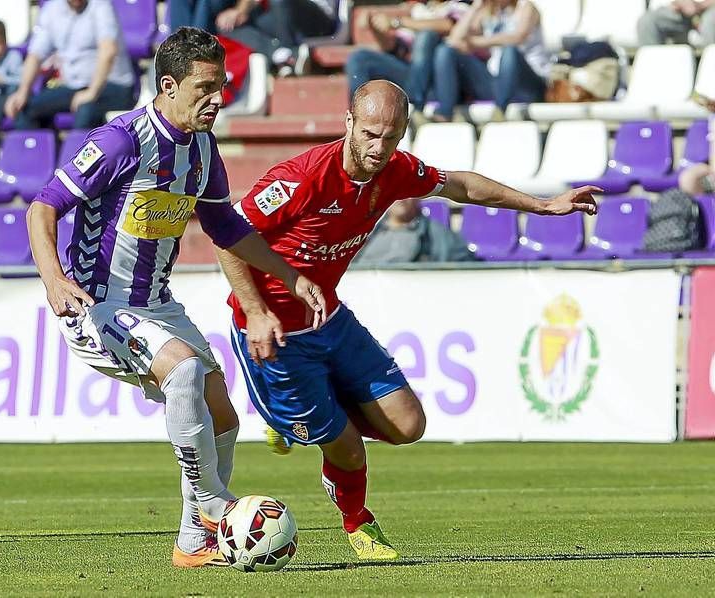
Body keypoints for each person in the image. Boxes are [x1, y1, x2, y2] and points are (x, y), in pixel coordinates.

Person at [218, 80, 598, 561]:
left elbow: (459, 184)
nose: (380, 148)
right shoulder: (300, 178)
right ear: (349, 122)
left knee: (408, 425)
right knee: (350, 450)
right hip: (275, 335)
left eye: (392, 136)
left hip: (329, 318)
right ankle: (358, 522)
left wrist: (542, 205)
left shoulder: (395, 171)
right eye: (371, 134)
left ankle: (308, 425)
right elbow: (228, 234)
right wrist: (255, 311)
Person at [26, 27, 326, 569]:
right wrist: (54, 280)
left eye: (223, 85)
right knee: (184, 372)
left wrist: (290, 275)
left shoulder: (203, 148)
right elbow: (41, 209)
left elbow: (226, 227)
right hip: (97, 305)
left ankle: (193, 541)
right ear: (168, 85)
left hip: (155, 305)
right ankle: (212, 502)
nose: (218, 98)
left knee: (224, 417)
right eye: (205, 86)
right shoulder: (121, 141)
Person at [412, 0, 549, 123]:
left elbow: (518, 37)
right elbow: (454, 39)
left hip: (528, 82)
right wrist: (475, 7)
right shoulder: (489, 11)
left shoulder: (526, 7)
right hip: (496, 80)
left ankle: (500, 111)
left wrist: (476, 42)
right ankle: (445, 113)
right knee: (445, 51)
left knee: (510, 51)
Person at [5, 0, 135, 130]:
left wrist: (92, 92)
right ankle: (37, 149)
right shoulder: (52, 9)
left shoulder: (101, 6)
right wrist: (22, 92)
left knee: (86, 109)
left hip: (113, 85)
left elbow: (108, 51)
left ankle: (76, 149)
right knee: (24, 109)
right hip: (74, 86)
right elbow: (35, 55)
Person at [345, 1, 469, 99]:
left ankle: (414, 100)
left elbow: (448, 26)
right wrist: (374, 25)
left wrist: (397, 22)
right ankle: (360, 112)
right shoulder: (419, 9)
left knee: (426, 36)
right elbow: (393, 48)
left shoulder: (459, 6)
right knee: (359, 58)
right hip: (411, 75)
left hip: (441, 83)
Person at [215, 0, 337, 75]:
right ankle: (283, 54)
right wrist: (238, 12)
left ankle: (286, 58)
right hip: (282, 16)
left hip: (320, 20)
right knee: (226, 24)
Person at [355, 197, 476, 264]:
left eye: (407, 192)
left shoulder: (437, 234)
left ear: (418, 198)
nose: (401, 199)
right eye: (396, 192)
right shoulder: (366, 232)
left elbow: (466, 265)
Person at [637, 0, 715, 47]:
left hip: (710, 9)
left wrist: (700, 6)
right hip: (680, 10)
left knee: (709, 22)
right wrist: (681, 3)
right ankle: (653, 66)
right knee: (647, 21)